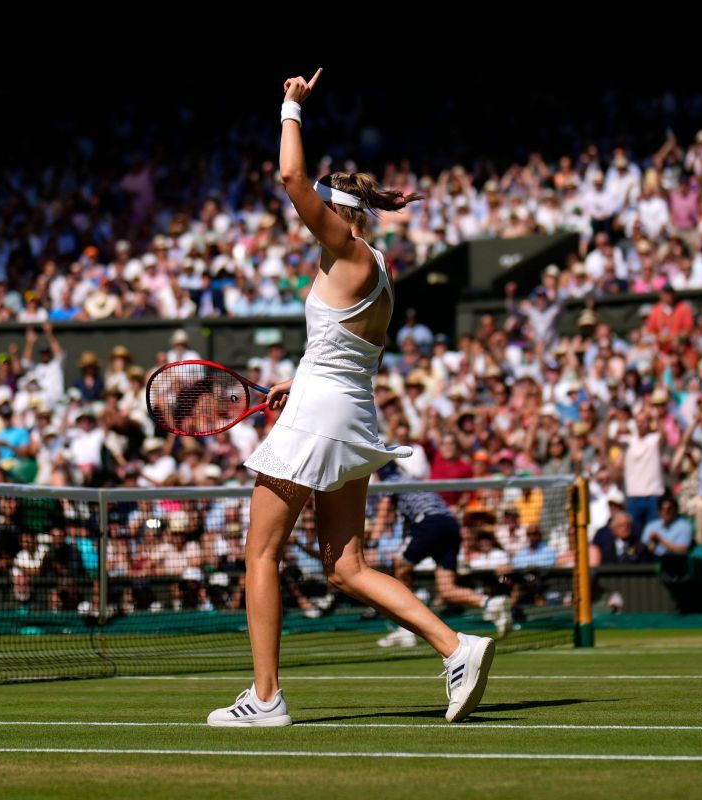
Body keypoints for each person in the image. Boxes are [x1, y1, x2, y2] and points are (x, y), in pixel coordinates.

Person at [208, 69, 495, 728]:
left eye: (319, 213)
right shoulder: (378, 269)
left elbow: (290, 179)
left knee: (259, 553)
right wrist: (297, 381)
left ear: (338, 215)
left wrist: (290, 107)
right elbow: (345, 352)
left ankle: (265, 698)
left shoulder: (346, 248)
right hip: (346, 408)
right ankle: (458, 647)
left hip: (325, 414)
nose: (307, 222)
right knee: (344, 565)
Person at [372, 462, 510, 649]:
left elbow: (384, 509)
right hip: (450, 525)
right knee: (447, 589)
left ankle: (406, 630)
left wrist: (372, 542)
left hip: (430, 523)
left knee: (400, 566)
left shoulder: (389, 482)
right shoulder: (412, 481)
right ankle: (491, 603)